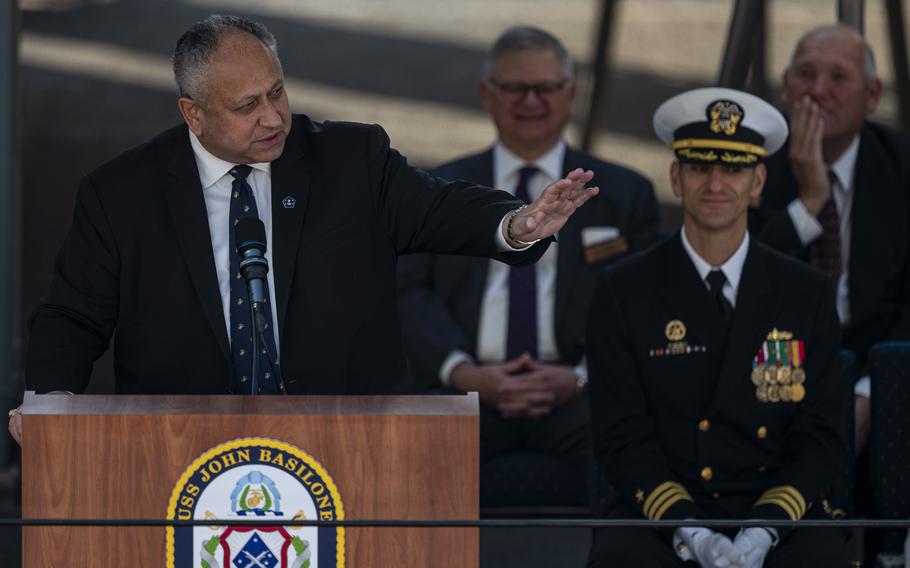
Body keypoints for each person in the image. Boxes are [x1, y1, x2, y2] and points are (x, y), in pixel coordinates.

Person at [8, 15, 599, 443]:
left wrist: (518, 223)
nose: (272, 117)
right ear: (193, 113)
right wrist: (53, 401)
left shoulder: (349, 159)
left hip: (345, 441)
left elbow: (437, 207)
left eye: (277, 92)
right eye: (247, 106)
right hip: (183, 447)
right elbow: (73, 315)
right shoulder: (121, 193)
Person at [586, 87, 848, 567]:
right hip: (664, 510)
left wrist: (765, 529)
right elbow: (620, 435)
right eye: (699, 167)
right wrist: (692, 531)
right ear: (676, 177)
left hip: (775, 509)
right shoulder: (624, 289)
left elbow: (824, 434)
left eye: (733, 168)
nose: (715, 183)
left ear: (758, 181)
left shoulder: (804, 291)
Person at [397, 26, 658, 489]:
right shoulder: (440, 190)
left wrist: (579, 377)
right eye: (514, 87)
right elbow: (408, 292)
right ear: (487, 95)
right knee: (411, 473)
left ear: (572, 93)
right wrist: (464, 373)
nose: (530, 100)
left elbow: (643, 304)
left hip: (580, 392)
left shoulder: (624, 194)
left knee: (636, 452)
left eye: (546, 87)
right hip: (464, 389)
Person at [749, 25, 910, 455]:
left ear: (872, 95)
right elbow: (742, 282)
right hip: (771, 370)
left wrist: (871, 394)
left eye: (838, 78)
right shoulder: (749, 168)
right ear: (785, 89)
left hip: (880, 370)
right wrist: (810, 202)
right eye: (805, 74)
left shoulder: (901, 168)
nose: (818, 91)